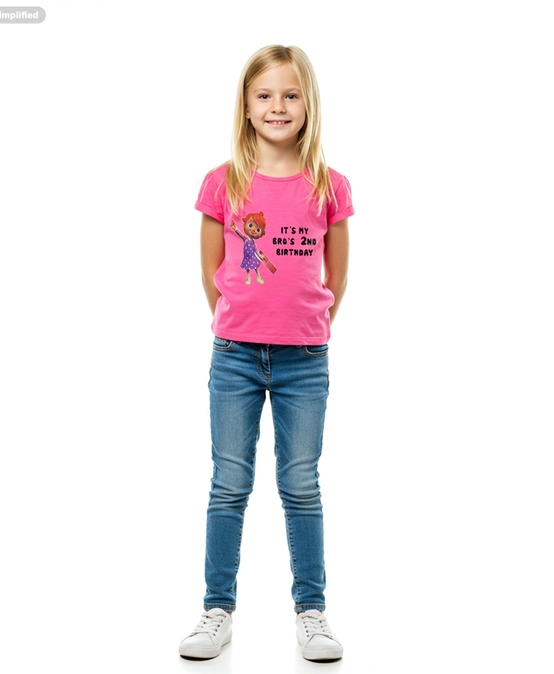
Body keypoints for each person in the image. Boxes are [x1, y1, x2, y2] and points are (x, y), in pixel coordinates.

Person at [179, 44, 354, 662]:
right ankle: (216, 609)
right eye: (265, 95)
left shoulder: (329, 185)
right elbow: (212, 272)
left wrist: (306, 327)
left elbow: (337, 275)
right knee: (229, 483)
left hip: (305, 360)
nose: (278, 106)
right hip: (235, 357)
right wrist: (241, 323)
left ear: (307, 103)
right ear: (247, 106)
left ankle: (312, 612)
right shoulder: (222, 182)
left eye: (290, 94)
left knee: (301, 483)